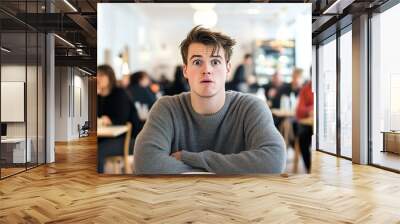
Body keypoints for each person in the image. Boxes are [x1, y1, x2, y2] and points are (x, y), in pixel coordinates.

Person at [134, 26, 286, 174]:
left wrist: (192, 158)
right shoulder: (166, 108)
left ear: (228, 68)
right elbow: (145, 162)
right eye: (197, 62)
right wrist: (223, 171)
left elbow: (274, 160)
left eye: (215, 62)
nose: (207, 70)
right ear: (185, 70)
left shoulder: (251, 107)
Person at [97, 65, 140, 173]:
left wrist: (110, 120)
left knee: (97, 152)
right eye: (96, 75)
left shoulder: (120, 94)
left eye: (101, 75)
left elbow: (122, 118)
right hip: (108, 137)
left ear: (110, 77)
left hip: (129, 139)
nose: (97, 78)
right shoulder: (99, 96)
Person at [295, 80, 313, 173]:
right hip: (309, 124)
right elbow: (299, 111)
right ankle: (310, 168)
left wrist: (312, 108)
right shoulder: (305, 89)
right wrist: (311, 109)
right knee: (302, 135)